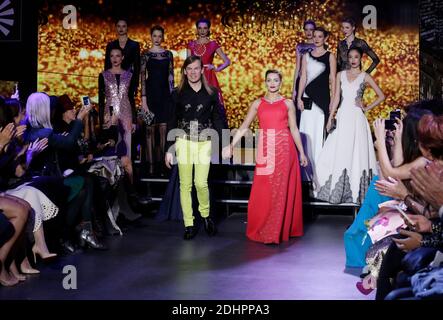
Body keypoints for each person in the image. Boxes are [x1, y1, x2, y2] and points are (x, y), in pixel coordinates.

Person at [223, 70, 308, 244]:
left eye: (276, 80)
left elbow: (293, 129)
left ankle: (275, 231)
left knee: (280, 190)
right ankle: (264, 226)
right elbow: (245, 126)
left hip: (285, 150)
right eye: (269, 80)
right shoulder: (257, 104)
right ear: (265, 82)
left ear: (281, 82)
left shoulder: (288, 103)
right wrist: (232, 144)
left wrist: (302, 152)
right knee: (264, 190)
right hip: (266, 150)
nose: (272, 83)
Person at [165, 55, 227, 240]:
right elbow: (171, 121)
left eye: (196, 68)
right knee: (185, 185)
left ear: (202, 70)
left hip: (204, 141)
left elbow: (218, 118)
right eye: (189, 68)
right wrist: (169, 149)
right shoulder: (177, 93)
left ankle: (206, 217)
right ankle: (189, 224)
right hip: (183, 141)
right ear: (185, 71)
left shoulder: (211, 92)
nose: (192, 72)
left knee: (201, 183)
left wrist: (224, 143)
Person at [314, 47, 384, 204]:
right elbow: (337, 98)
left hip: (357, 119)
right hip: (343, 116)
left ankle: (355, 192)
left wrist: (366, 107)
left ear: (361, 59)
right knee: (337, 150)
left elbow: (381, 95)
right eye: (351, 57)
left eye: (356, 57)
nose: (353, 60)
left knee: (356, 153)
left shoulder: (365, 76)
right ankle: (335, 190)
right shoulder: (340, 75)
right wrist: (331, 117)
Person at [297, 27, 336, 182]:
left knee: (319, 132)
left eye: (320, 36)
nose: (317, 39)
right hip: (307, 97)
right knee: (306, 130)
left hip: (322, 99)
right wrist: (299, 97)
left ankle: (318, 174)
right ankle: (305, 172)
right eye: (314, 36)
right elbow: (303, 77)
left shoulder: (330, 56)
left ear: (325, 38)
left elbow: (333, 80)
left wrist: (333, 100)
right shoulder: (306, 56)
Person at [140, 25, 174, 176]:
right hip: (151, 95)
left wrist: (173, 97)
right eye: (155, 36)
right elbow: (142, 78)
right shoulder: (145, 55)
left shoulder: (168, 54)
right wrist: (143, 100)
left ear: (163, 37)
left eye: (160, 36)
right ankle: (151, 168)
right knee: (150, 132)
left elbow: (171, 76)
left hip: (165, 96)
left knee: (164, 131)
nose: (157, 39)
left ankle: (164, 167)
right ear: (151, 37)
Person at [187, 18, 230, 127]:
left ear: (208, 29)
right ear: (197, 29)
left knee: (213, 107)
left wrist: (215, 68)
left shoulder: (213, 44)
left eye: (205, 28)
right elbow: (187, 63)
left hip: (209, 77)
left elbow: (227, 61)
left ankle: (216, 137)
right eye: (200, 28)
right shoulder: (191, 44)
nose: (202, 31)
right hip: (194, 78)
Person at [104, 18, 140, 113]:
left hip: (129, 80)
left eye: (123, 26)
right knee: (113, 104)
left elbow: (137, 66)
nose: (121, 28)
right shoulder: (111, 45)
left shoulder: (134, 45)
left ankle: (130, 126)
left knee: (128, 104)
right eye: (119, 26)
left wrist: (136, 84)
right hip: (113, 79)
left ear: (127, 28)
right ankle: (112, 125)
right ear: (116, 28)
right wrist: (106, 82)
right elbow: (107, 64)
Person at [292, 20, 316, 103]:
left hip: (314, 82)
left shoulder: (319, 46)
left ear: (315, 30)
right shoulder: (300, 46)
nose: (308, 32)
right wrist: (294, 89)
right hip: (301, 80)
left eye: (311, 29)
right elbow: (297, 67)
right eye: (306, 29)